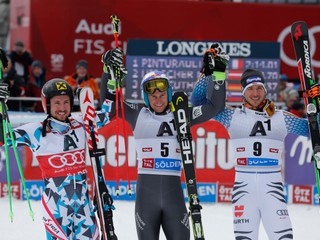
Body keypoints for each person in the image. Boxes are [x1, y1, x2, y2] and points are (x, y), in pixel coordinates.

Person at [101, 45, 228, 240]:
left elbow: (215, 106)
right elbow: (108, 107)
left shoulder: (182, 114)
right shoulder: (137, 114)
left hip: (174, 199)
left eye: (161, 95)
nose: (157, 100)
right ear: (146, 97)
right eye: (152, 96)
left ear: (169, 94)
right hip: (146, 200)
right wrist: (108, 73)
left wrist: (218, 73)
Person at [191, 68, 309, 240]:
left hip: (273, 191)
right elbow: (197, 103)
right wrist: (208, 72)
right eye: (250, 89)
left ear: (265, 90)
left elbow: (314, 131)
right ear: (243, 93)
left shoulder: (282, 118)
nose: (255, 93)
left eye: (259, 88)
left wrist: (317, 104)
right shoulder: (231, 115)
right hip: (244, 191)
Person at [0, 75, 112, 239]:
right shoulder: (36, 132)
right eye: (57, 103)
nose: (62, 107)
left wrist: (110, 79)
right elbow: (3, 137)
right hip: (56, 209)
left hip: (83, 207)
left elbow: (108, 114)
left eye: (66, 102)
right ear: (47, 104)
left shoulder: (81, 122)